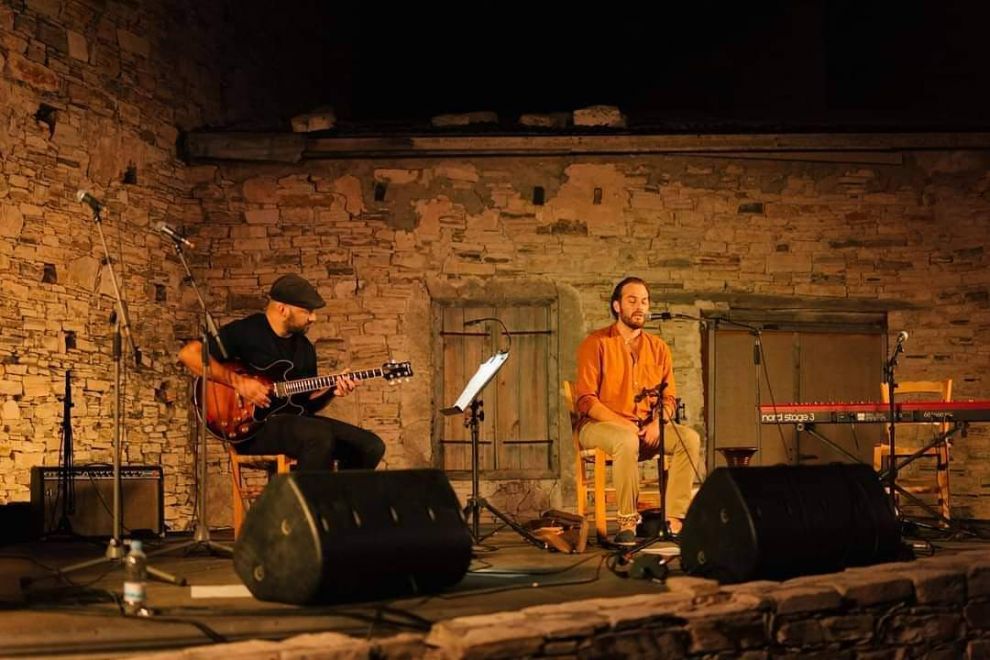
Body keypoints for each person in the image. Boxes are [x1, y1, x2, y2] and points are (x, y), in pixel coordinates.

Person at [178, 274, 385, 471]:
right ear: (283, 309)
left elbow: (306, 405)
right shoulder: (247, 331)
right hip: (252, 428)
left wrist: (332, 390)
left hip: (294, 424)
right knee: (317, 435)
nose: (313, 318)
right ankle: (300, 497)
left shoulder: (304, 348)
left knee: (370, 446)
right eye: (307, 311)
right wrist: (238, 382)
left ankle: (336, 496)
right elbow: (189, 354)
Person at [574, 276, 701, 545]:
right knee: (626, 439)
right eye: (632, 301)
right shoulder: (596, 343)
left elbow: (669, 398)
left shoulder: (659, 348)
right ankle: (627, 523)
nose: (639, 307)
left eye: (644, 301)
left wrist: (657, 424)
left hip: (644, 428)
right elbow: (586, 400)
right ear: (617, 306)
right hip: (598, 427)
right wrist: (623, 424)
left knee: (689, 438)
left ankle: (673, 520)